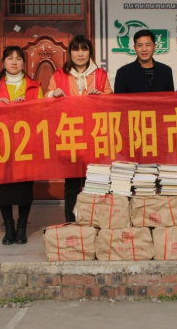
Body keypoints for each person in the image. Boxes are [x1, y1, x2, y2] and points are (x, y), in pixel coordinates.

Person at [47, 35, 112, 222]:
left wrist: (101, 97)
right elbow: (45, 100)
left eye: (84, 49)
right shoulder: (59, 75)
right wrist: (52, 94)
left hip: (94, 135)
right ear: (70, 53)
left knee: (95, 182)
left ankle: (95, 222)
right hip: (70, 135)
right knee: (72, 184)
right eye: (76, 49)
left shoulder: (100, 75)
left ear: (90, 52)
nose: (80, 53)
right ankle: (72, 222)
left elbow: (111, 101)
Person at [0, 46, 42, 245]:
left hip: (26, 144)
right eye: (10, 58)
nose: (14, 62)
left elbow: (43, 113)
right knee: (3, 187)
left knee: (24, 188)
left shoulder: (34, 86)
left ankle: (22, 227)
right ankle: (8, 228)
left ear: (24, 62)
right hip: (0, 144)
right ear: (3, 62)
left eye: (18, 58)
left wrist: (28, 106)